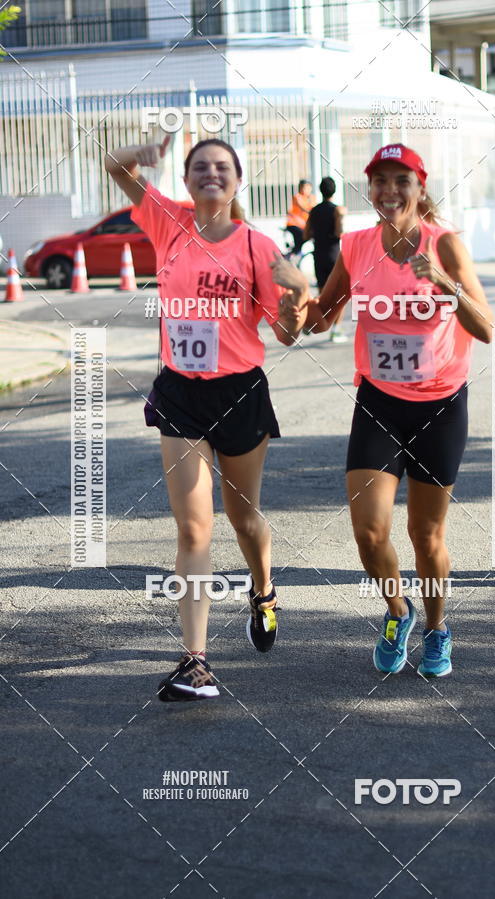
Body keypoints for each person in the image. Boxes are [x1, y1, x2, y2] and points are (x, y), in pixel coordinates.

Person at [272, 144, 494, 679]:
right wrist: (299, 312)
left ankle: (437, 629)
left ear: (420, 187)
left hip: (440, 404)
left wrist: (444, 284)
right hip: (377, 402)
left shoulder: (447, 244)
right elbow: (325, 315)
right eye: (379, 182)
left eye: (401, 181)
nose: (389, 191)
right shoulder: (356, 246)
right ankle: (398, 611)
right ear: (369, 189)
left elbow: (486, 328)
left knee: (426, 536)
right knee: (369, 533)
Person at [105, 135, 306, 702]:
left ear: (238, 181)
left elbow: (287, 334)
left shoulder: (259, 248)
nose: (210, 173)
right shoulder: (168, 222)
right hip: (180, 395)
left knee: (244, 519)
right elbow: (113, 165)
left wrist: (295, 304)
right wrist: (145, 149)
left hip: (240, 393)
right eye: (200, 167)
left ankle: (263, 590)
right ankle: (196, 664)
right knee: (193, 528)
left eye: (222, 167)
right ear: (188, 180)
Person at [304, 176, 347, 343]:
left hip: (318, 255)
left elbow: (306, 234)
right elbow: (339, 233)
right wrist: (341, 218)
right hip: (334, 256)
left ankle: (309, 323)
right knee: (340, 295)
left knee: (323, 294)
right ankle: (336, 330)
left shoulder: (313, 211)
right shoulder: (337, 210)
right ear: (334, 191)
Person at [286, 179, 316, 259]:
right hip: (294, 224)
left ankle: (295, 254)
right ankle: (293, 255)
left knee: (308, 238)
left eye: (309, 188)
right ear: (301, 188)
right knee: (302, 237)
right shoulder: (297, 197)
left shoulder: (311, 198)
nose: (308, 190)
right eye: (306, 188)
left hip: (304, 226)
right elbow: (304, 208)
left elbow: (315, 208)